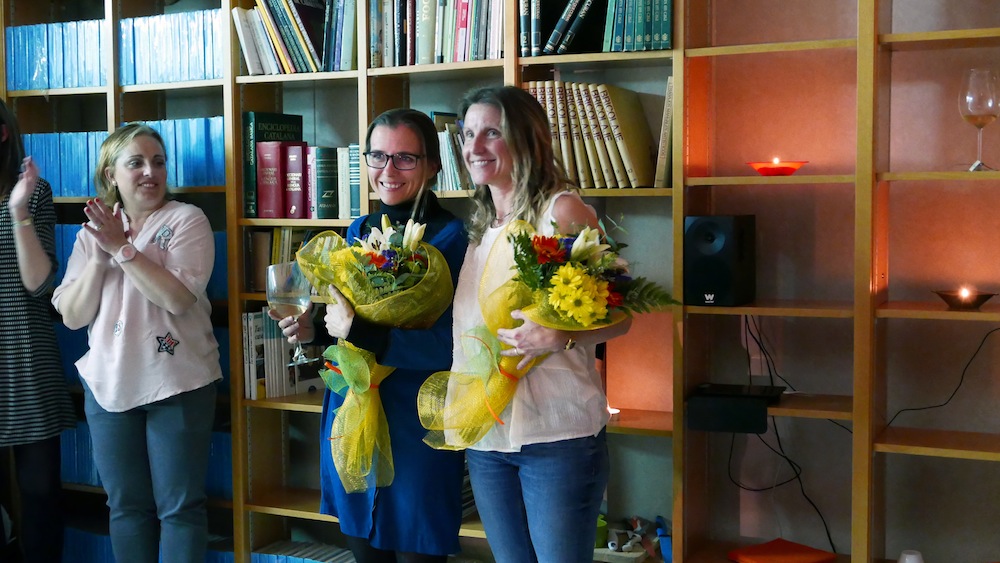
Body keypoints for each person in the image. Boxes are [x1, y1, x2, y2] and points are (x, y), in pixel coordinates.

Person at [275, 108, 468, 563]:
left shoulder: (454, 239)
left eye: (405, 158)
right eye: (378, 156)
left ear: (433, 165)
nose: (388, 170)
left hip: (416, 415)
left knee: (418, 546)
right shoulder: (359, 231)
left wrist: (359, 331)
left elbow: (454, 347)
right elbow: (349, 332)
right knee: (363, 548)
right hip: (355, 407)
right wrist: (316, 333)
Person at [451, 85, 633, 563]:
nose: (475, 147)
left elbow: (623, 315)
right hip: (489, 435)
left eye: (492, 132)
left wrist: (562, 335)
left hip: (558, 437)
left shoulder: (561, 211)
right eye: (468, 134)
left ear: (527, 139)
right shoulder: (480, 228)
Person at [52, 123, 221, 563]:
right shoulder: (93, 232)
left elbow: (178, 298)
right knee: (125, 507)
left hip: (178, 382)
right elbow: (73, 316)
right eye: (136, 163)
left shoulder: (187, 219)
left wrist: (123, 250)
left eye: (158, 162)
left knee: (180, 509)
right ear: (112, 174)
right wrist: (99, 256)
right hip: (108, 386)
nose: (150, 171)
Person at [0, 100, 76, 563]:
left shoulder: (33, 191)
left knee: (41, 491)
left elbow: (39, 283)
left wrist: (18, 210)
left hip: (27, 352)